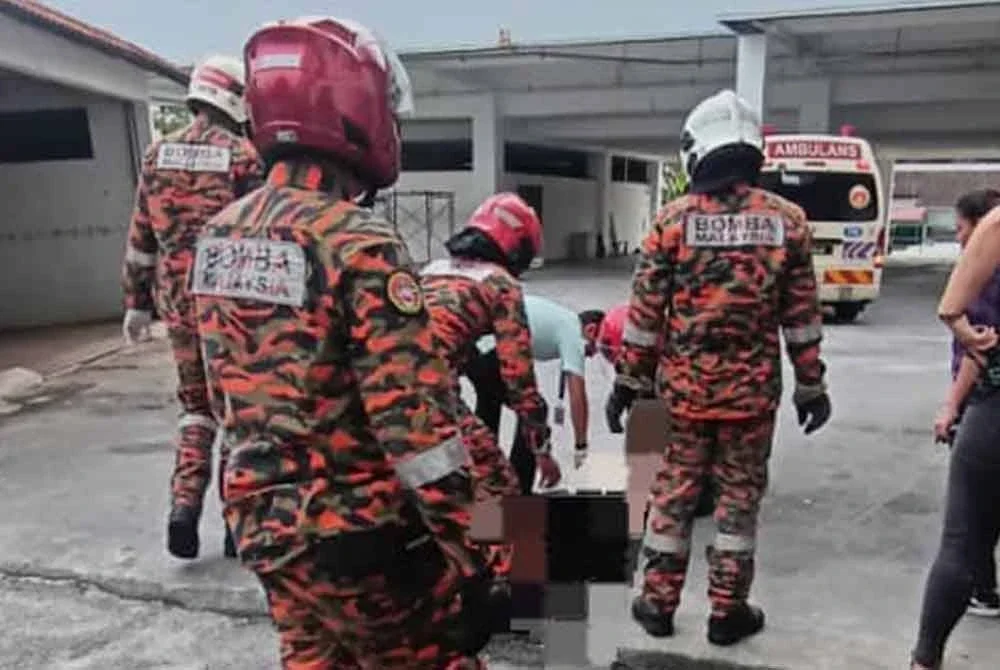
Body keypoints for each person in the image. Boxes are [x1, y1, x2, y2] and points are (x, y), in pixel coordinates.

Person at [190, 17, 492, 669]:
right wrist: (479, 558)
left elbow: (207, 392)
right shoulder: (360, 244)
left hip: (263, 527)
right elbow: (418, 435)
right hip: (364, 540)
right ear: (358, 112)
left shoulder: (215, 238)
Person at [606, 89, 831, 646]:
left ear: (697, 151)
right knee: (738, 501)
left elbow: (644, 317)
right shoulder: (789, 222)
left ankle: (657, 604)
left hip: (681, 395)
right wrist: (811, 385)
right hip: (752, 399)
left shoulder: (672, 222)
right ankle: (727, 611)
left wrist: (627, 382)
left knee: (674, 494)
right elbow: (801, 315)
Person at [121, 54, 264, 560]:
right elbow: (261, 231)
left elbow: (141, 237)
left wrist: (136, 302)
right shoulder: (244, 156)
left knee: (194, 409)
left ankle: (183, 508)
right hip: (232, 304)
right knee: (237, 411)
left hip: (178, 303)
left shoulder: (157, 154)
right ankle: (234, 525)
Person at [421, 193, 562, 584]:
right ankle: (503, 592)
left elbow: (430, 341)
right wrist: (542, 448)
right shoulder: (500, 285)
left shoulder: (430, 271)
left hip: (377, 396)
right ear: (516, 248)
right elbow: (519, 379)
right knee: (499, 487)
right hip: (430, 401)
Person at [912, 189, 1000, 669]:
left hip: (994, 409)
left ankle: (924, 662)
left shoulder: (997, 228)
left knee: (962, 545)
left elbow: (962, 321)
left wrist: (952, 405)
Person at [464, 296, 605, 489]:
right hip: (490, 346)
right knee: (532, 411)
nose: (595, 353)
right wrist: (581, 445)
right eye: (600, 344)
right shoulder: (573, 332)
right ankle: (520, 489)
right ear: (590, 330)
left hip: (477, 347)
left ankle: (483, 477)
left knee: (490, 401)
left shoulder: (562, 320)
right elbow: (577, 394)